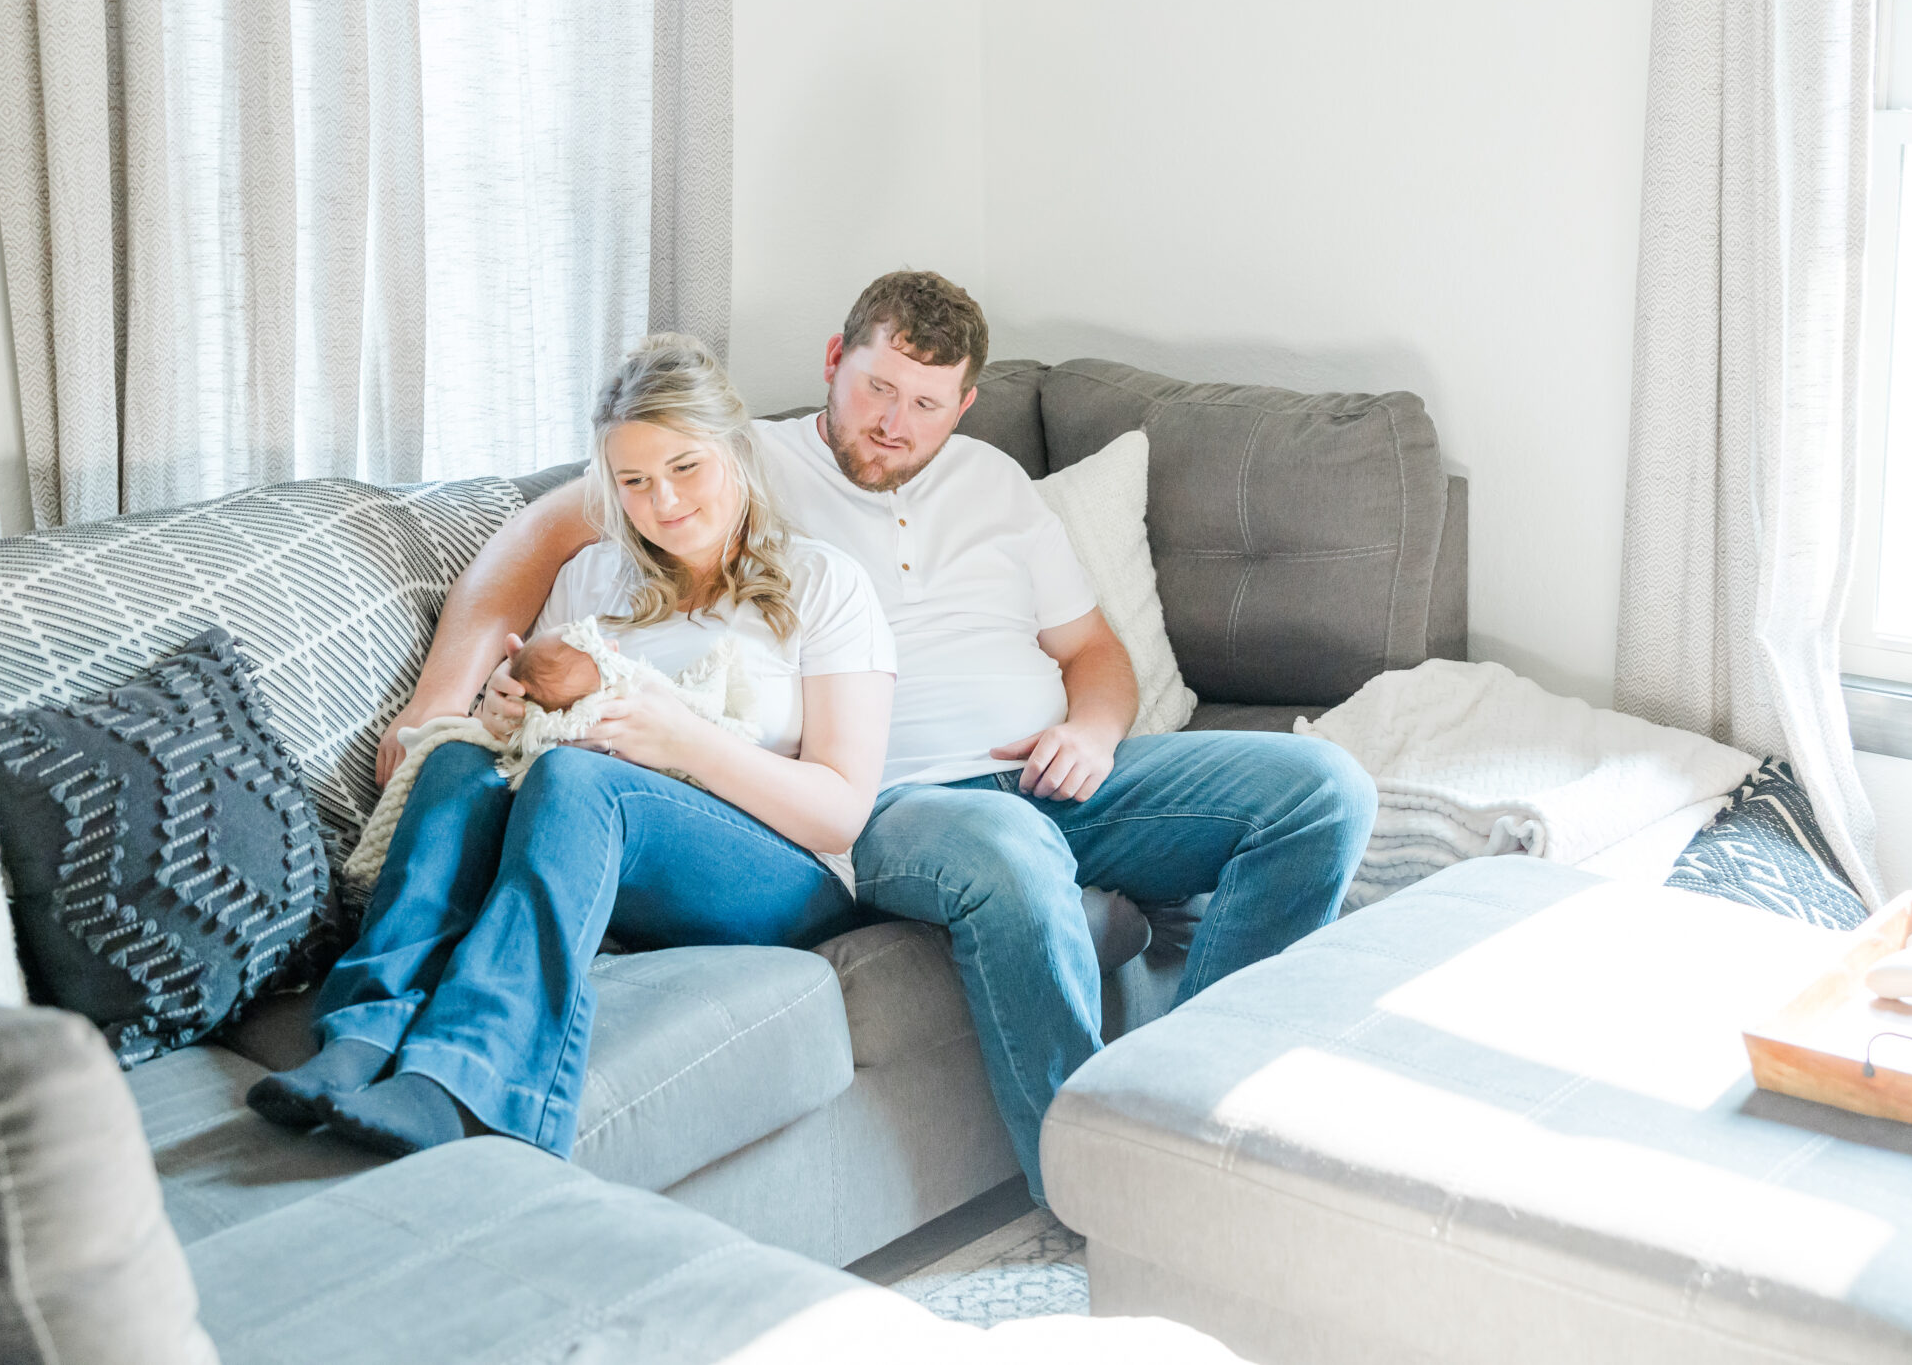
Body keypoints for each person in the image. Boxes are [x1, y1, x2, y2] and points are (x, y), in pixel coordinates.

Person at [377, 272, 1377, 1202]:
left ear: (966, 405)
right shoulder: (737, 460)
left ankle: (1194, 1121)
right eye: (876, 389)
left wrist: (1092, 731)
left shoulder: (995, 486)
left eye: (926, 403)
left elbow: (1095, 653)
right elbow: (534, 539)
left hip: (1055, 771)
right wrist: (438, 710)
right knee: (1010, 850)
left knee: (1324, 792)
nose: (893, 423)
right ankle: (1095, 1183)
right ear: (832, 362)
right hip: (899, 804)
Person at [251, 333, 896, 1157]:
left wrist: (683, 738)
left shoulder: (827, 585)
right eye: (634, 481)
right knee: (457, 763)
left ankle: (467, 1078)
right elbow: (535, 725)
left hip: (774, 875)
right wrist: (503, 708)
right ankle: (359, 1039)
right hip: (608, 843)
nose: (663, 502)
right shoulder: (595, 578)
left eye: (686, 467)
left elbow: (839, 812)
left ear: (736, 450)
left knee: (579, 777)